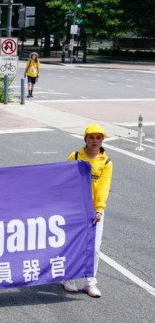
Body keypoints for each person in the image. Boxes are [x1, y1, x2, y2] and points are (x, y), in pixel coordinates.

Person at [61, 123, 113, 298]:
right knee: (73, 244)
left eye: (98, 138)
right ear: (85, 139)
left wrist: (99, 209)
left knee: (94, 247)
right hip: (75, 209)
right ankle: (70, 278)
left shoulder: (106, 162)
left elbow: (103, 188)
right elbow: (64, 180)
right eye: (91, 137)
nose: (95, 141)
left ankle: (90, 282)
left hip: (94, 211)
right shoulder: (75, 156)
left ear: (102, 140)